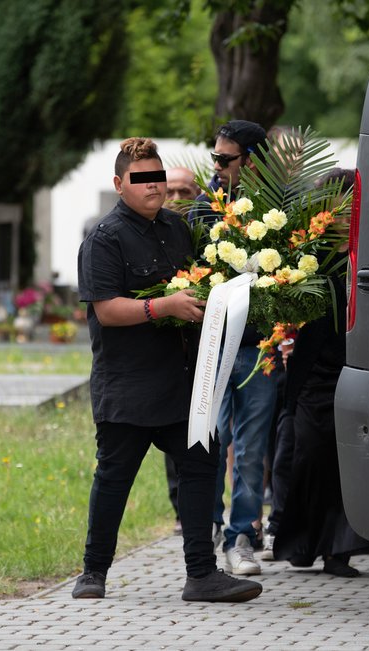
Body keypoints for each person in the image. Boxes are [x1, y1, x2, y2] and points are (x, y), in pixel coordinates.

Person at [71, 137, 262, 603]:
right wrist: (165, 307)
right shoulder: (103, 238)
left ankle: (202, 575)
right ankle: (93, 573)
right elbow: (107, 310)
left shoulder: (178, 230)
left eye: (158, 176)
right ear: (119, 184)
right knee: (114, 477)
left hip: (183, 381)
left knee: (200, 469)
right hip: (128, 385)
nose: (153, 186)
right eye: (141, 179)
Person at [272, 167, 369, 578]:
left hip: (355, 364)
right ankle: (300, 544)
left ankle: (339, 551)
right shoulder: (308, 250)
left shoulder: (367, 251)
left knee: (341, 460)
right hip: (312, 370)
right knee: (307, 457)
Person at [192, 120, 279, 576]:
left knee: (249, 449)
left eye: (226, 160)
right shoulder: (202, 212)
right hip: (214, 346)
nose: (218, 167)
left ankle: (242, 536)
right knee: (211, 441)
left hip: (259, 348)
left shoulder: (279, 211)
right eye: (215, 159)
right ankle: (205, 531)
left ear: (252, 161)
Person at [161, 167, 202, 535]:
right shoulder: (157, 235)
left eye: (184, 192)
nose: (176, 199)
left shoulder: (208, 232)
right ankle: (180, 511)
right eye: (170, 192)